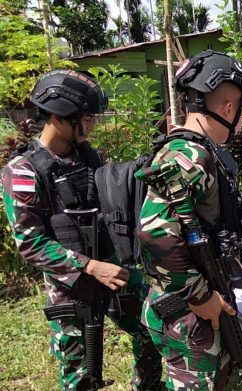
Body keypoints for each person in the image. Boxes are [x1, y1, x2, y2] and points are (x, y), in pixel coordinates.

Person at [0, 70, 162, 390]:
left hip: (113, 267)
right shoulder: (23, 170)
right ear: (61, 116)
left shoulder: (88, 157)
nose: (92, 126)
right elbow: (30, 242)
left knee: (151, 329)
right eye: (87, 118)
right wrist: (88, 266)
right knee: (81, 373)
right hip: (72, 286)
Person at [137, 50, 242, 390]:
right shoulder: (190, 156)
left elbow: (202, 225)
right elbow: (155, 233)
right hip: (187, 311)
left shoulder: (197, 150)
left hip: (191, 305)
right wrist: (201, 296)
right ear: (229, 109)